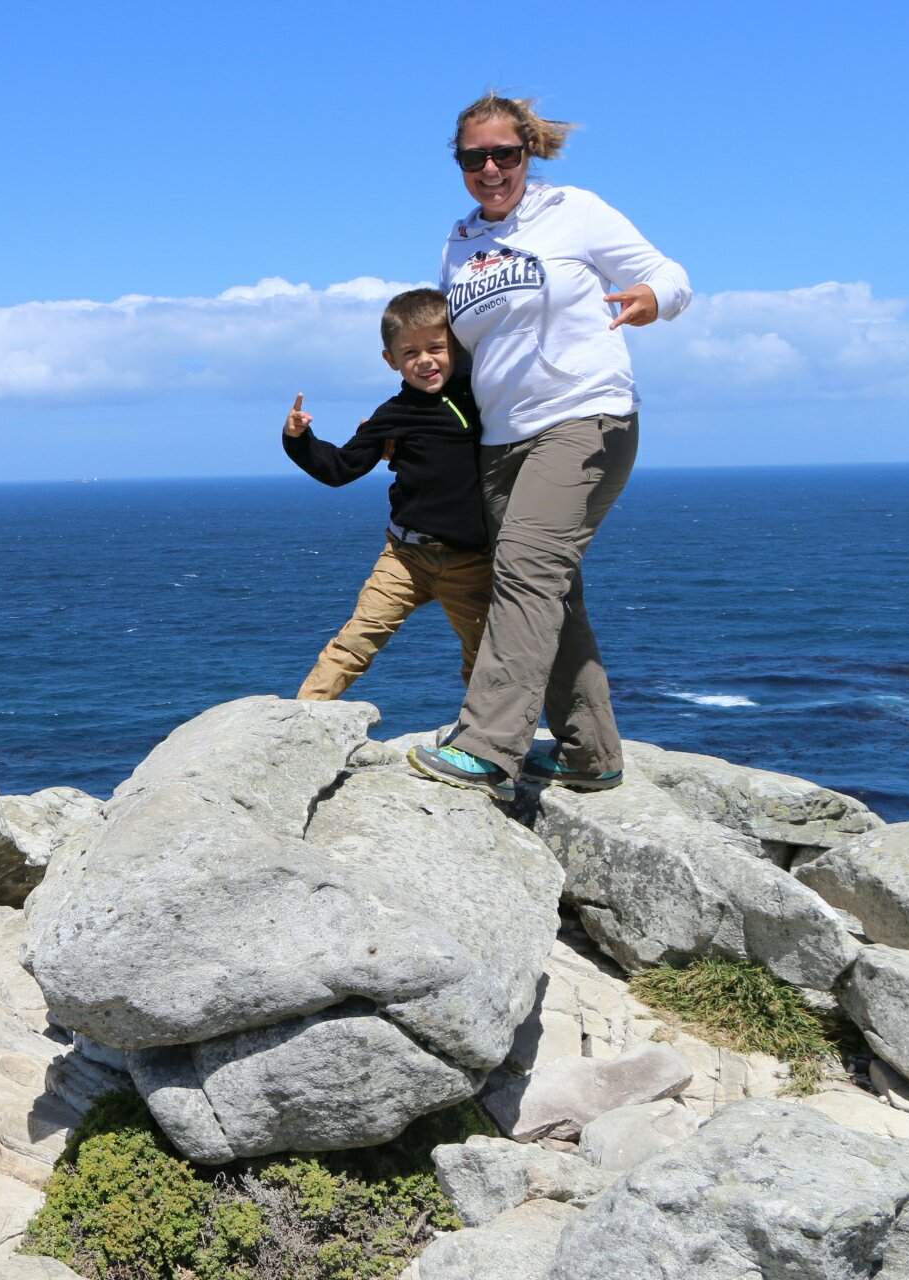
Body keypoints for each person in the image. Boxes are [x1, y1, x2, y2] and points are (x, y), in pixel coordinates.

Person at [408, 93, 690, 802]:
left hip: (585, 418)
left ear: (528, 152)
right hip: (501, 441)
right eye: (474, 158)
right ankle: (589, 753)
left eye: (505, 154)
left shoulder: (574, 211)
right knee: (550, 592)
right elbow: (460, 356)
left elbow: (671, 275)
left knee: (526, 573)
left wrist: (651, 299)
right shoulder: (458, 245)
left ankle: (487, 747)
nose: (491, 169)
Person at [283, 288, 492, 701]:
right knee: (355, 642)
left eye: (436, 347)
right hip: (405, 556)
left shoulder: (482, 397)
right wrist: (299, 438)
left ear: (456, 347)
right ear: (390, 360)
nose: (425, 360)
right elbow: (340, 468)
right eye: (410, 353)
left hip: (470, 561)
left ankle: (485, 732)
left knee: (485, 655)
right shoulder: (393, 415)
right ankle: (302, 716)